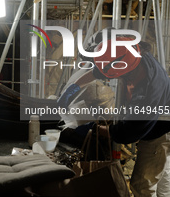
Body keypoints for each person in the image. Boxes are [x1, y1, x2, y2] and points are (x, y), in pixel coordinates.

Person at [57, 35, 170, 197]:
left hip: (160, 135)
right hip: (162, 121)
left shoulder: (147, 93)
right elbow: (99, 71)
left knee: (142, 184)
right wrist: (73, 88)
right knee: (162, 178)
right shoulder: (135, 54)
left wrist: (94, 128)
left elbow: (126, 134)